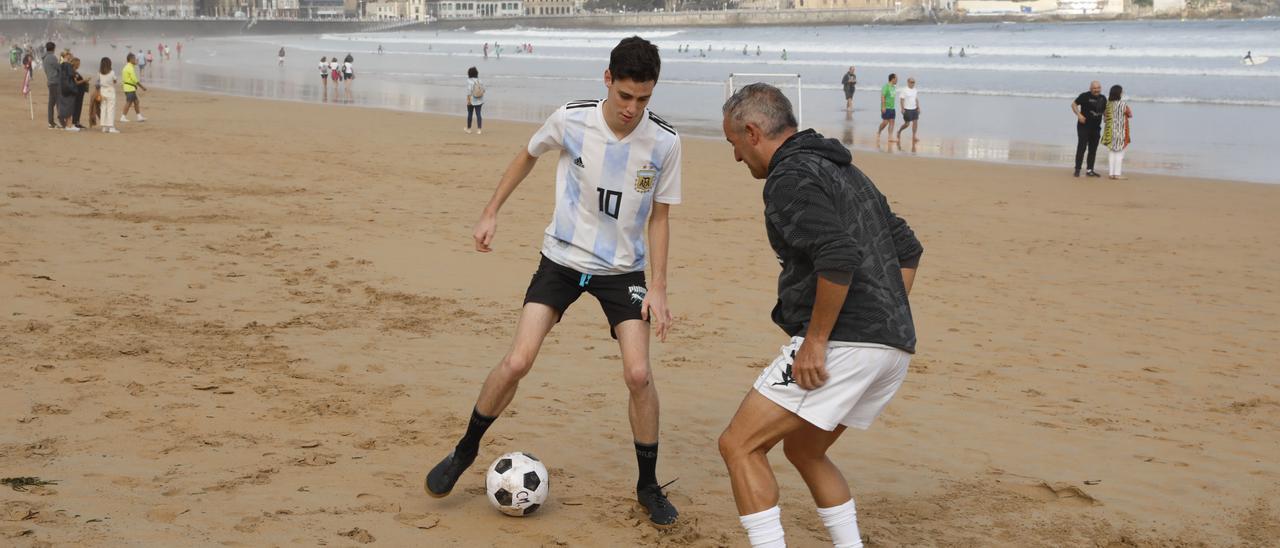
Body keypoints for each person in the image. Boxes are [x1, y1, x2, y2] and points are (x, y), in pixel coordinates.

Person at [424, 36, 683, 528]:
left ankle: (647, 485)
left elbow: (661, 217)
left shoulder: (665, 141)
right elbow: (527, 155)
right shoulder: (571, 118)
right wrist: (490, 211)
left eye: (644, 98)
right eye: (625, 96)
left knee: (638, 374)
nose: (633, 108)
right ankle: (464, 451)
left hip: (623, 270)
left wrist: (661, 286)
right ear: (607, 80)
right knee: (518, 359)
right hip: (561, 258)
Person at [716, 82, 922, 548]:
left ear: (752, 132)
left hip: (844, 343)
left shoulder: (788, 177)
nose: (735, 157)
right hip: (892, 346)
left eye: (733, 145)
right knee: (806, 450)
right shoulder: (845, 170)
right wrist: (884, 317)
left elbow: (836, 255)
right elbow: (907, 248)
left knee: (739, 445)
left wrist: (817, 340)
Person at [1071, 80, 1107, 177]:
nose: (1096, 90)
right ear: (1090, 88)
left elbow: (1104, 110)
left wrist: (1105, 116)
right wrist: (1079, 115)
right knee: (1082, 147)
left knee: (1093, 149)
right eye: (1094, 88)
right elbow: (1073, 104)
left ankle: (1089, 170)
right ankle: (1077, 169)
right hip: (1084, 127)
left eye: (1098, 88)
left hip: (1096, 128)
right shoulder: (1084, 96)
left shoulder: (1103, 98)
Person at [1101, 84, 1132, 180]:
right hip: (1121, 131)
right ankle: (1117, 174)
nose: (1123, 93)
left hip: (1110, 131)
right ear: (1119, 93)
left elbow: (1105, 118)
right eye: (1122, 91)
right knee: (1120, 153)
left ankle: (1111, 173)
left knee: (1111, 152)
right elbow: (1130, 114)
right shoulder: (1123, 104)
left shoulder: (1108, 104)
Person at [120, 53, 146, 123]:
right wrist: (142, 87)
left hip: (128, 87)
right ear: (131, 59)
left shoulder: (127, 66)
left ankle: (139, 116)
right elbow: (135, 79)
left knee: (136, 101)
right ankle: (123, 117)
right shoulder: (130, 68)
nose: (136, 60)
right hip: (129, 88)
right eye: (134, 59)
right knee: (129, 102)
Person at [97, 56, 119, 134]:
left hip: (102, 91)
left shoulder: (99, 72)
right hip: (110, 91)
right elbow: (115, 80)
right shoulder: (112, 72)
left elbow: (98, 83)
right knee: (110, 109)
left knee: (103, 108)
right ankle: (111, 126)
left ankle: (104, 126)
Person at [58, 53, 78, 131]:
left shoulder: (61, 65)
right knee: (69, 107)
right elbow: (71, 74)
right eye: (71, 57)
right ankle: (69, 125)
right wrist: (75, 74)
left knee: (66, 106)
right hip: (69, 88)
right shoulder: (67, 65)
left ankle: (68, 124)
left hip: (63, 88)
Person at [896, 77, 920, 143]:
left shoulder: (915, 90)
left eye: (914, 82)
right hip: (907, 109)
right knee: (907, 124)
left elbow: (916, 99)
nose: (913, 84)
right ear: (908, 82)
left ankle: (914, 136)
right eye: (911, 82)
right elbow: (901, 100)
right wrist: (902, 108)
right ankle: (899, 131)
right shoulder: (904, 90)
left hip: (914, 109)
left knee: (915, 122)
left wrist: (918, 107)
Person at [42, 42, 61, 129]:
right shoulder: (52, 57)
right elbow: (59, 68)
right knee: (58, 102)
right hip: (55, 81)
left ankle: (51, 122)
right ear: (53, 48)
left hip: (50, 81)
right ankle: (61, 121)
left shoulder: (45, 57)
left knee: (51, 103)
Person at [877, 73, 898, 143]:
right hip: (886, 107)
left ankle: (890, 137)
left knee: (892, 122)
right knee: (885, 122)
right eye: (896, 79)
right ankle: (879, 132)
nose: (897, 80)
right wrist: (883, 107)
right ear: (892, 79)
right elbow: (882, 96)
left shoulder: (894, 87)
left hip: (892, 108)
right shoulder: (886, 86)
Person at [465, 66, 484, 135]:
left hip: (472, 100)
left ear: (469, 73)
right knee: (478, 114)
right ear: (476, 73)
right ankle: (479, 130)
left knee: (470, 114)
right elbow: (483, 90)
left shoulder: (469, 81)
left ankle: (469, 129)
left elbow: (469, 91)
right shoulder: (480, 80)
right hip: (480, 99)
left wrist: (468, 100)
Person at [70, 57, 89, 129]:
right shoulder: (73, 72)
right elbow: (76, 82)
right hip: (77, 92)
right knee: (76, 107)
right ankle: (75, 122)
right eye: (79, 64)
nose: (79, 65)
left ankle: (77, 121)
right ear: (76, 64)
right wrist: (84, 80)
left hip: (80, 92)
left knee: (78, 107)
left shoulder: (74, 72)